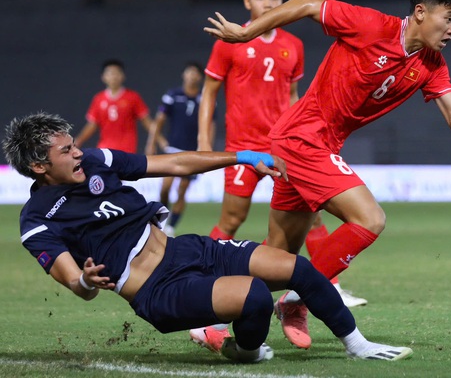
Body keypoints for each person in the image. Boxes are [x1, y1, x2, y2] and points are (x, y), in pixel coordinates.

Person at [204, 0, 451, 349]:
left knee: (277, 257)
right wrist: (247, 32)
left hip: (314, 144)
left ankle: (207, 314)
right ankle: (298, 300)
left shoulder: (432, 65)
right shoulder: (372, 26)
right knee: (371, 218)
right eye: (450, 18)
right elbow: (308, 4)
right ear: (422, 12)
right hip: (302, 138)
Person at [3, 112, 413, 363]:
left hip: (186, 249)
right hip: (158, 290)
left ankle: (358, 345)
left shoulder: (97, 160)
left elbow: (177, 163)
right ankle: (246, 352)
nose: (78, 153)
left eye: (74, 145)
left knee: (298, 269)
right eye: (66, 151)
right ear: (40, 166)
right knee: (255, 297)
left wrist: (242, 156)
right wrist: (85, 281)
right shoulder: (37, 221)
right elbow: (77, 285)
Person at [197, 0, 366, 325]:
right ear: (247, 2)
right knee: (232, 219)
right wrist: (203, 141)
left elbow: (293, 97)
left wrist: (306, 138)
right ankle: (203, 281)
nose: (268, 3)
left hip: (284, 146)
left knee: (313, 213)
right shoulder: (230, 41)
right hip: (242, 146)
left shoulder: (294, 46)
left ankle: (328, 283)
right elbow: (209, 92)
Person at [145, 62, 212, 237]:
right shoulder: (173, 95)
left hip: (193, 151)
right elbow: (159, 120)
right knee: (165, 187)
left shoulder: (205, 98)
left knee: (182, 190)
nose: (192, 76)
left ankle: (171, 228)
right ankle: (161, 219)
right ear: (184, 75)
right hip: (173, 149)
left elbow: (211, 124)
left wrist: (207, 147)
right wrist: (153, 141)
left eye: (195, 73)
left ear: (200, 77)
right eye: (189, 72)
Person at [75, 59, 156, 153]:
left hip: (127, 150)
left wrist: (158, 141)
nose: (113, 76)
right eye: (110, 73)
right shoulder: (98, 99)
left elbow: (147, 122)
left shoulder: (132, 97)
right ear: (103, 77)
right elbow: (92, 125)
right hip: (104, 149)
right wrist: (78, 141)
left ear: (123, 76)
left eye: (117, 73)